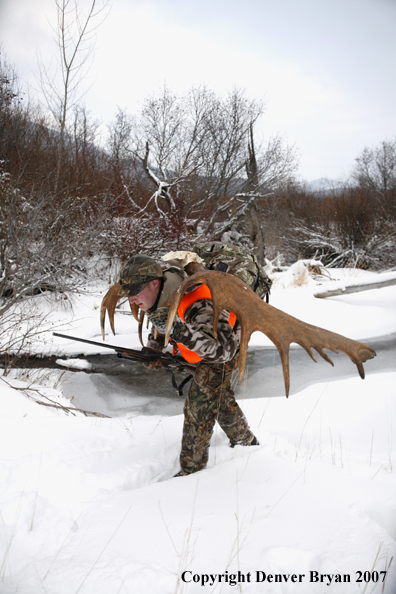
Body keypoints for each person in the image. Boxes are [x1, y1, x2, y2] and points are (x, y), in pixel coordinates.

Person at [117, 254, 259, 476]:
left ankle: (190, 475)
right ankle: (245, 441)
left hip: (227, 343)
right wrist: (154, 348)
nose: (132, 300)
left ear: (154, 283)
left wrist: (178, 332)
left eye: (135, 292)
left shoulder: (197, 303)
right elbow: (162, 317)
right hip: (205, 345)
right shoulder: (162, 291)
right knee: (219, 396)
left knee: (199, 405)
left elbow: (223, 351)